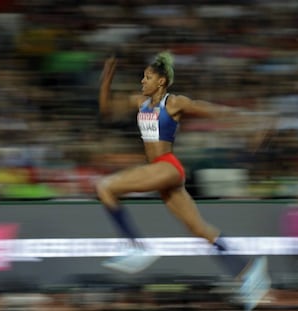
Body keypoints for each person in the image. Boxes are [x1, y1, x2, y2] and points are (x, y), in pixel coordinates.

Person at [96, 51, 271, 310]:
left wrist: (250, 121)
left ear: (162, 81)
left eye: (147, 77)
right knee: (200, 230)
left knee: (104, 187)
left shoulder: (174, 102)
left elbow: (213, 111)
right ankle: (250, 272)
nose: (142, 81)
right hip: (163, 175)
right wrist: (107, 78)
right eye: (142, 77)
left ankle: (136, 246)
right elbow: (106, 109)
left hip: (167, 167)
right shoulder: (140, 102)